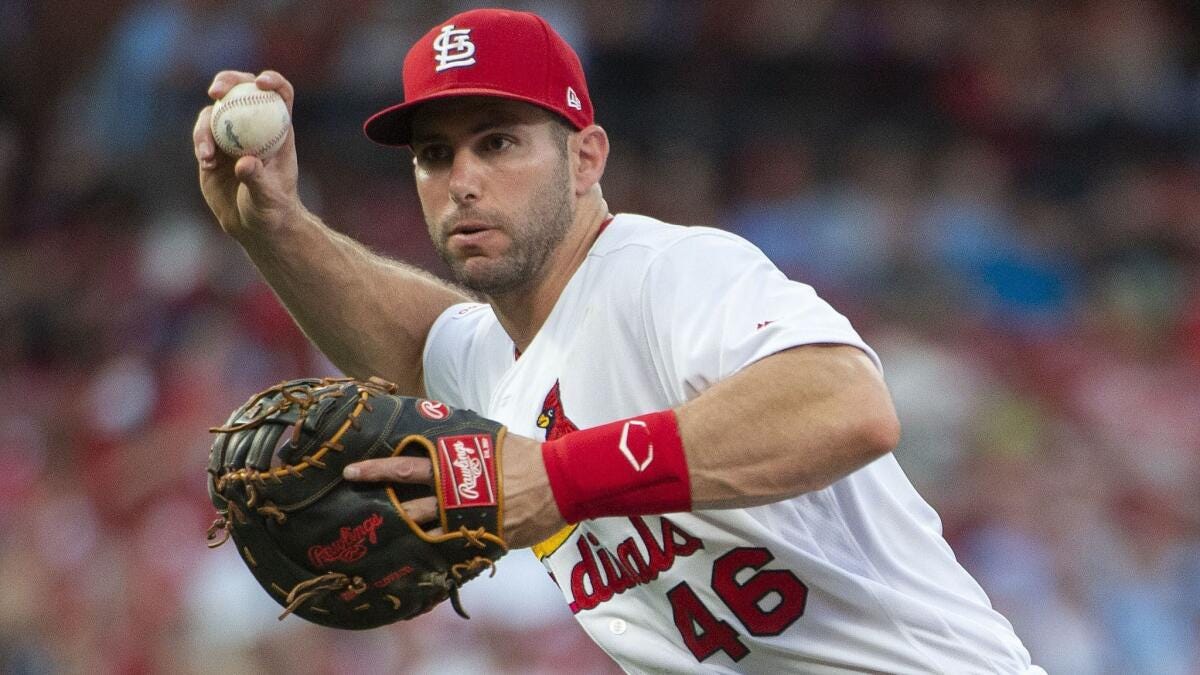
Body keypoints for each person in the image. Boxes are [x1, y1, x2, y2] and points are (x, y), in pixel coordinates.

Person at [193, 8, 1041, 673]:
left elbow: (848, 405)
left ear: (585, 158)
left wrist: (560, 477)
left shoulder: (663, 272)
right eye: (434, 154)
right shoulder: (497, 361)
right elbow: (419, 343)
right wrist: (275, 226)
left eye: (498, 142)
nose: (464, 181)